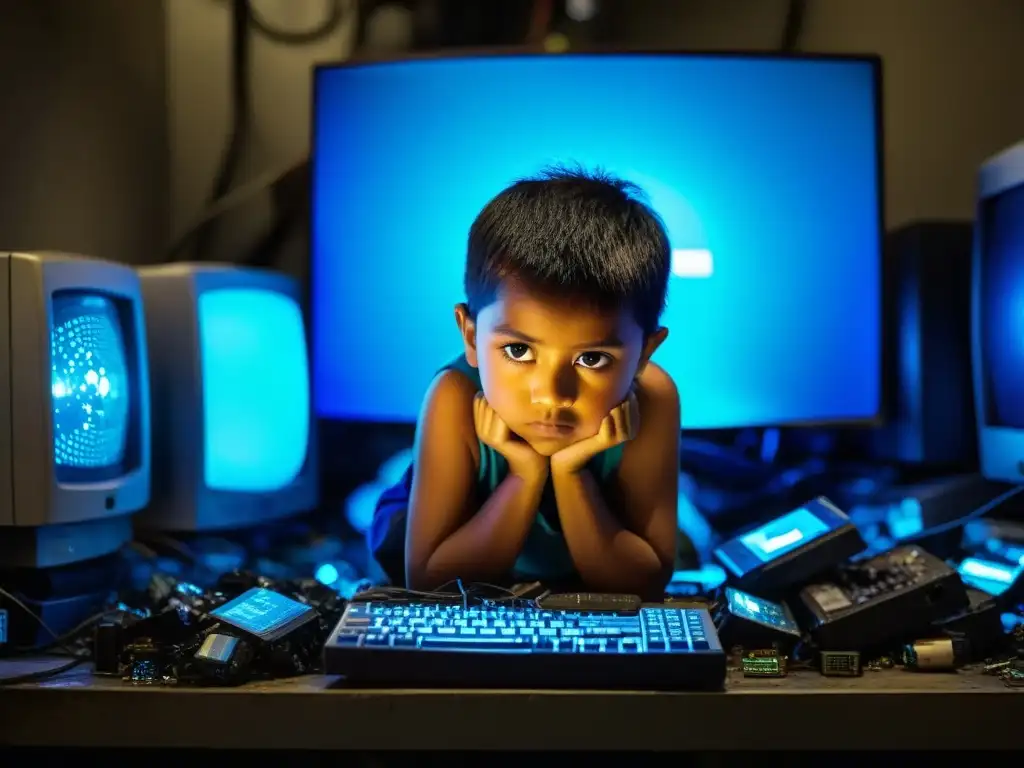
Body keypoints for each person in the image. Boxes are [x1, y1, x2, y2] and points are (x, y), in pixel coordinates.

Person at [369, 165, 681, 600]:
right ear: (472, 336)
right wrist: (523, 474)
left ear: (644, 354)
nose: (552, 394)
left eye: (592, 359)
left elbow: (645, 581)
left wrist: (572, 474)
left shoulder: (654, 397)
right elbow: (430, 582)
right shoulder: (454, 397)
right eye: (519, 352)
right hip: (431, 535)